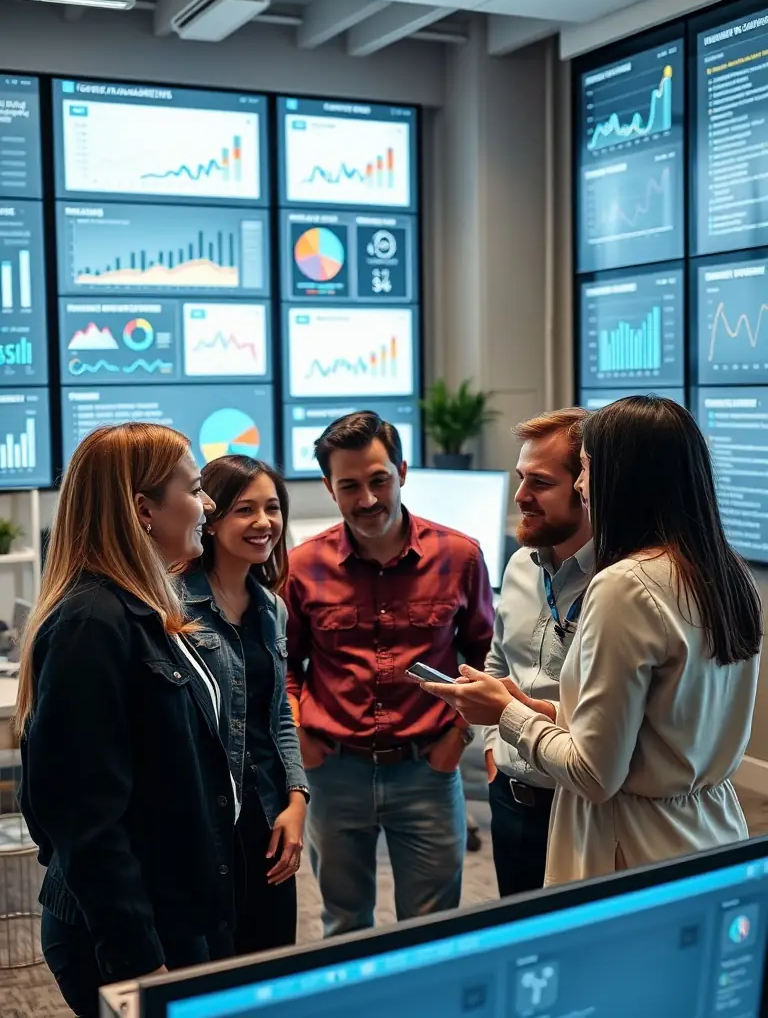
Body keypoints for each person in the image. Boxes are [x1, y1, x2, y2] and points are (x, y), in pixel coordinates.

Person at [423, 396, 762, 886]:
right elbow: (662, 730)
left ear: (622, 477)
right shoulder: (727, 572)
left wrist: (506, 715)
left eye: (583, 470)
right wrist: (541, 713)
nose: (582, 486)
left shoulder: (624, 584)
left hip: (632, 847)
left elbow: (595, 776)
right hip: (708, 830)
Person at [17, 423, 237, 1018]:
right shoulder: (93, 624)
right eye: (194, 489)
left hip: (172, 912)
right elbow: (82, 819)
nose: (208, 504)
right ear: (143, 509)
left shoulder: (137, 607)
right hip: (130, 937)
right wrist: (138, 961)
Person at [284, 410, 495, 937]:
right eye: (349, 485)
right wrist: (301, 736)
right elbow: (282, 666)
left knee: (431, 931)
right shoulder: (302, 566)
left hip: (428, 768)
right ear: (330, 490)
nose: (368, 499)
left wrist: (457, 736)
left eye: (379, 480)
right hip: (334, 772)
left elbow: (485, 658)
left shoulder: (460, 556)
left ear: (402, 471)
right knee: (343, 924)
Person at [183, 455, 308, 956]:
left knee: (271, 965)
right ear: (209, 519)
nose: (264, 523)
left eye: (273, 508)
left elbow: (277, 712)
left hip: (268, 814)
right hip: (207, 820)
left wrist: (297, 799)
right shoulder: (171, 607)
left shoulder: (270, 605)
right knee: (212, 966)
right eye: (244, 510)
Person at [483, 407, 592, 896]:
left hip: (582, 807)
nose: (520, 496)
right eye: (521, 478)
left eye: (540, 483)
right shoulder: (521, 565)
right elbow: (498, 661)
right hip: (510, 800)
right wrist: (492, 747)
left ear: (588, 485)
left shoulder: (625, 585)